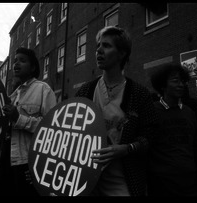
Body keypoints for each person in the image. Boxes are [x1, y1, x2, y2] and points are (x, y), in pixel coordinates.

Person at [75, 26, 158, 196]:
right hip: (85, 178)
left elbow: (151, 135)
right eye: (98, 45)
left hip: (121, 179)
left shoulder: (139, 94)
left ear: (122, 53)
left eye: (106, 46)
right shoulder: (85, 91)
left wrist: (127, 148)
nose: (98, 50)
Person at [0, 47, 57, 196]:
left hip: (29, 162)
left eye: (22, 60)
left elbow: (52, 128)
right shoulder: (12, 95)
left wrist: (18, 118)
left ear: (32, 68)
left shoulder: (44, 90)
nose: (16, 64)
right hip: (8, 160)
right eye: (15, 60)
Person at [147, 63, 197, 196]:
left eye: (183, 81)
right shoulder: (151, 111)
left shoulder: (189, 112)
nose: (181, 84)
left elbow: (196, 143)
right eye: (175, 81)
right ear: (163, 85)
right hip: (162, 183)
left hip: (190, 181)